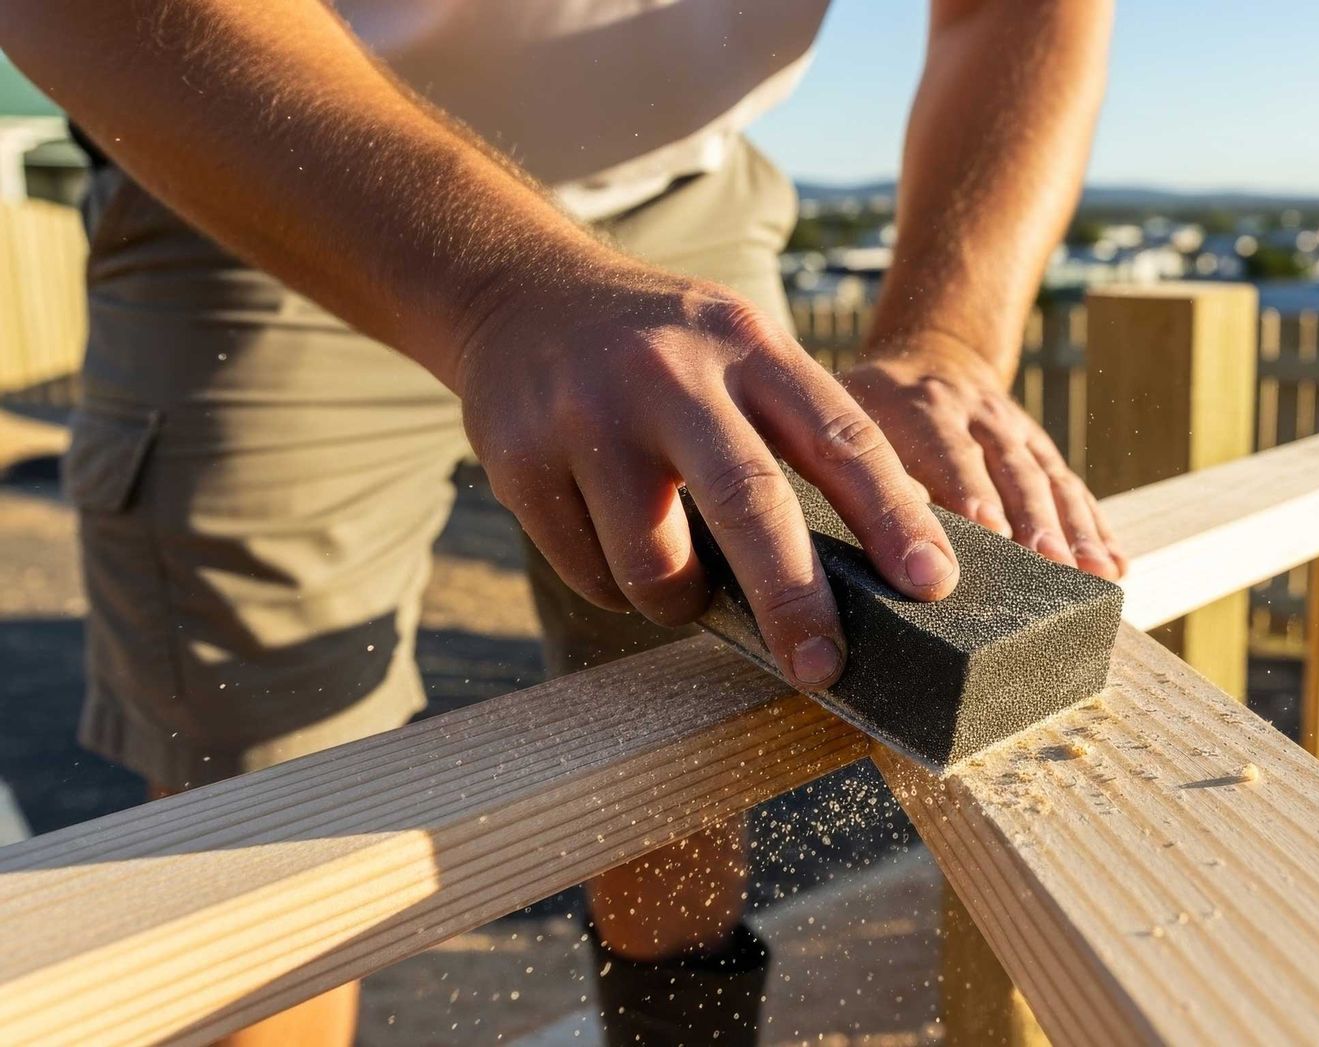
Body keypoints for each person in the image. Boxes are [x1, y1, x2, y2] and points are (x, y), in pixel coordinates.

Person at [1, 0, 1117, 1043]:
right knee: (261, 808)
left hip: (674, 196)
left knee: (697, 690)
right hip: (271, 162)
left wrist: (950, 339)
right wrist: (497, 289)